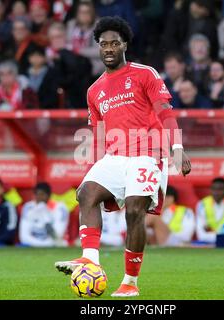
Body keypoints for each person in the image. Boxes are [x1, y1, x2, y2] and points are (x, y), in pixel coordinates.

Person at [54, 16, 191, 297]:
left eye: (114, 43)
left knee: (134, 211)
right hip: (115, 157)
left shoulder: (145, 74)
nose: (108, 48)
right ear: (98, 47)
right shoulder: (94, 90)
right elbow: (98, 134)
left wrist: (177, 148)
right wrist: (94, 167)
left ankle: (130, 282)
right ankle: (90, 260)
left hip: (147, 154)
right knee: (86, 193)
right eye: (103, 44)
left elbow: (165, 111)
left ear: (124, 44)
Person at [19, 182, 70, 247]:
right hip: (32, 245)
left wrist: (45, 212)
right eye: (36, 194)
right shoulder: (28, 207)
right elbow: (24, 237)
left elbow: (57, 236)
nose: (39, 197)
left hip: (55, 245)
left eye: (42, 194)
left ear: (49, 195)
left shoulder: (60, 208)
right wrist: (40, 244)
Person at [195, 177, 224, 244]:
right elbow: (201, 235)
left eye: (220, 189)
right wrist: (222, 237)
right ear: (210, 189)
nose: (216, 192)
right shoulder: (202, 205)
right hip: (208, 245)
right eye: (214, 189)